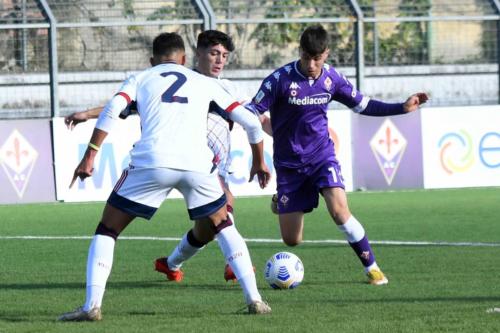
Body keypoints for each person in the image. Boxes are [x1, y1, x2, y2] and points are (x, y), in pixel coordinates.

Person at [58, 32, 271, 321]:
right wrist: (259, 161)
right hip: (198, 164)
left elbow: (113, 109)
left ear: (152, 59)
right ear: (184, 59)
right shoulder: (204, 83)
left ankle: (91, 307)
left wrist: (90, 156)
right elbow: (251, 123)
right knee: (223, 223)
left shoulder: (141, 78)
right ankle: (255, 300)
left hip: (152, 162)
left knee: (108, 229)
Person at [246, 24, 428, 285]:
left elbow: (363, 105)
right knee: (292, 240)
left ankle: (372, 268)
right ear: (299, 51)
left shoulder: (332, 79)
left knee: (340, 211)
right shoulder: (279, 80)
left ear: (326, 54)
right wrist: (245, 120)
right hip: (289, 165)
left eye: (317, 58)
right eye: (306, 57)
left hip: (322, 157)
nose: (311, 64)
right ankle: (280, 202)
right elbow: (252, 111)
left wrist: (401, 107)